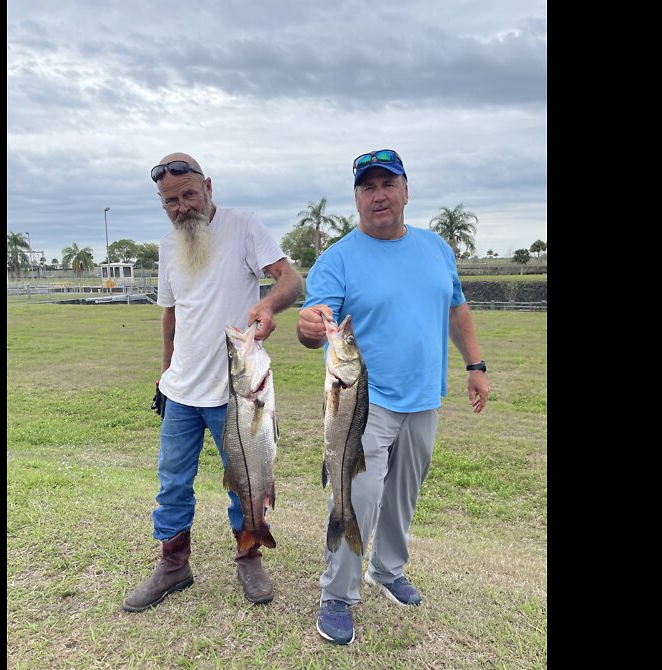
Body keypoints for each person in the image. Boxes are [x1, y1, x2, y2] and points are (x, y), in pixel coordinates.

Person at [296, 148, 490, 644]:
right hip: (365, 401)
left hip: (426, 396)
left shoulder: (436, 248)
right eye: (368, 187)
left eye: (387, 184)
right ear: (357, 197)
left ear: (406, 190)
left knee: (403, 495)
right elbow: (316, 323)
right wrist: (310, 327)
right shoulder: (336, 259)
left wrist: (475, 365)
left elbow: (457, 310)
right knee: (358, 494)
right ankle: (337, 593)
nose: (378, 195)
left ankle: (387, 569)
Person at [123, 152, 304, 613]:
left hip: (235, 393)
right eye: (171, 201)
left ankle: (249, 556)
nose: (182, 207)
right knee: (172, 484)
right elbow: (171, 314)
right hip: (181, 392)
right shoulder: (169, 247)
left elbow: (289, 280)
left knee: (246, 479)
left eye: (188, 195)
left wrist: (267, 308)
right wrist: (164, 373)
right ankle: (173, 564)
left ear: (208, 187)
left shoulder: (243, 226)